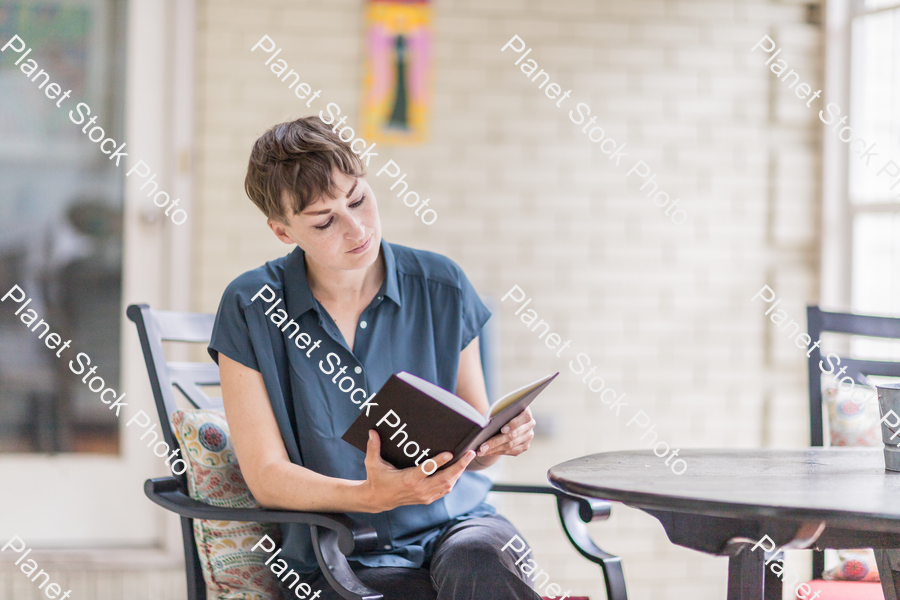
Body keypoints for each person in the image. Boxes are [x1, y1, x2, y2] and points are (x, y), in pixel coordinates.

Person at [209, 116, 542, 600]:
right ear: (282, 232)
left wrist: (500, 439)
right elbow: (267, 478)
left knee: (483, 564)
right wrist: (368, 497)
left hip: (461, 528)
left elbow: (474, 448)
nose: (356, 228)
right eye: (324, 221)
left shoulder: (442, 286)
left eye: (359, 199)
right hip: (342, 549)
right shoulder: (250, 306)